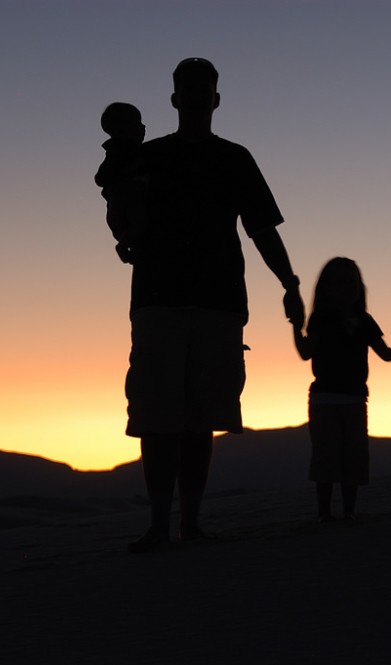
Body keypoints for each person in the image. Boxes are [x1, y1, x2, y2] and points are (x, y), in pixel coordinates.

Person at [98, 58, 305, 553]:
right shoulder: (147, 156)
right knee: (157, 413)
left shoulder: (234, 158)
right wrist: (123, 235)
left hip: (216, 300)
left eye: (202, 89)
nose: (194, 97)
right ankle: (159, 523)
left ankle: (187, 522)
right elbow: (116, 201)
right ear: (175, 99)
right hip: (159, 298)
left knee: (200, 416)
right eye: (186, 89)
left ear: (215, 99)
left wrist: (290, 282)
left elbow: (261, 228)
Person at [293, 258, 391, 521]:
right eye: (340, 282)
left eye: (350, 282)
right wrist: (296, 326)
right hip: (326, 400)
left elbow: (385, 354)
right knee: (327, 457)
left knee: (352, 456)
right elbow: (306, 352)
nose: (346, 288)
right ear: (327, 287)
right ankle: (325, 514)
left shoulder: (364, 321)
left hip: (353, 400)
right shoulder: (322, 319)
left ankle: (348, 512)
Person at [94, 102, 147, 264]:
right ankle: (125, 242)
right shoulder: (121, 151)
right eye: (138, 123)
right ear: (123, 129)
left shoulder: (130, 151)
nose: (144, 127)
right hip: (125, 203)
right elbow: (101, 178)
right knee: (140, 222)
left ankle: (127, 241)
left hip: (122, 207)